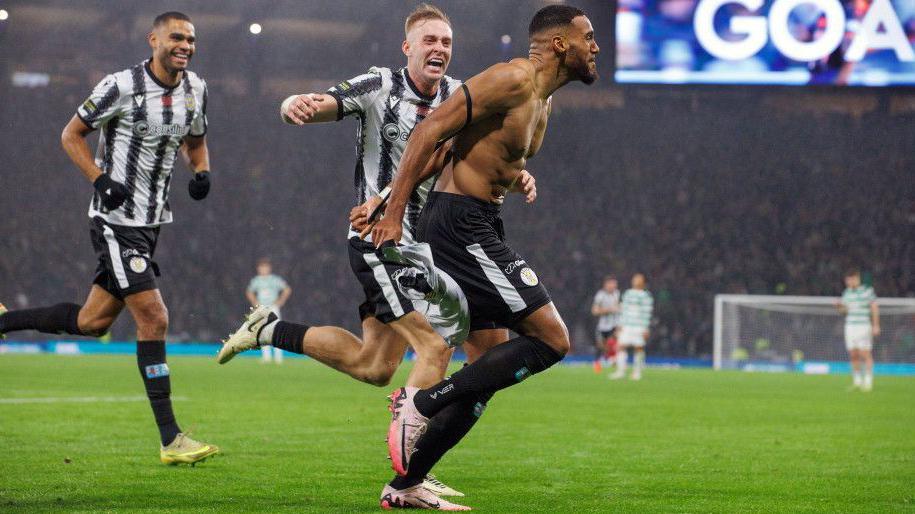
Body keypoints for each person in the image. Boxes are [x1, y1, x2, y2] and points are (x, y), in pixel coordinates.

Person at [215, 5, 534, 506]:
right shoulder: (379, 85)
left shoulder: (462, 97)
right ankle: (410, 479)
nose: (439, 49)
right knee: (434, 346)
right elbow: (324, 102)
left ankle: (269, 330)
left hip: (435, 246)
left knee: (375, 364)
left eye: (446, 42)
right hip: (381, 237)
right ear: (407, 47)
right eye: (429, 40)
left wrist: (515, 176)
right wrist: (294, 103)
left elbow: (476, 159)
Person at [369, 4, 599, 508]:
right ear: (560, 44)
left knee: (488, 364)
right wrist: (392, 211)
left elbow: (471, 151)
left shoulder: (544, 98)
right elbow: (430, 132)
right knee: (553, 340)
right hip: (459, 224)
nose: (595, 46)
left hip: (480, 220)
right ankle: (422, 402)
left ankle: (406, 486)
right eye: (588, 37)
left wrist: (514, 177)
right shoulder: (511, 78)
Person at [0, 12, 217, 464]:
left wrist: (200, 171)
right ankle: (171, 438)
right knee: (154, 317)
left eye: (191, 39)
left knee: (92, 323)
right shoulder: (120, 86)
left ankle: (4, 322)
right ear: (153, 38)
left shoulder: (196, 89)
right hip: (115, 223)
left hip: (153, 223)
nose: (186, 45)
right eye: (177, 37)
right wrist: (99, 178)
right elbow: (71, 134)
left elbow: (195, 140)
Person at [835, 269, 879, 391]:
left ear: (857, 278)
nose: (849, 282)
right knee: (853, 354)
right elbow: (844, 312)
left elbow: (874, 308)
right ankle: (857, 381)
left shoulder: (867, 291)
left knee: (865, 353)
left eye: (852, 279)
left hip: (864, 325)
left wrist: (876, 325)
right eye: (848, 280)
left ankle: (868, 382)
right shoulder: (847, 293)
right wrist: (839, 307)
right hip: (850, 326)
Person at [245, 258, 292, 363]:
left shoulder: (274, 279)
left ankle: (279, 357)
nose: (264, 270)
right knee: (262, 332)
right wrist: (255, 302)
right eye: (261, 268)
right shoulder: (256, 280)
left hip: (272, 307)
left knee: (276, 331)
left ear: (269, 268)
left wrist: (281, 301)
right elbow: (249, 291)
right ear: (258, 269)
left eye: (265, 267)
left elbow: (287, 289)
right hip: (262, 308)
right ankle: (267, 357)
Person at [611, 274, 653, 381]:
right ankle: (620, 371)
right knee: (621, 346)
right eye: (634, 279)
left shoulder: (646, 296)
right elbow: (623, 310)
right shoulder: (628, 294)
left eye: (638, 279)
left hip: (639, 326)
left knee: (638, 348)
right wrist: (620, 325)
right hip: (627, 325)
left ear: (643, 282)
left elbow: (647, 312)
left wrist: (646, 328)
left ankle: (637, 373)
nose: (636, 281)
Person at [591, 275, 620, 372]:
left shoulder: (617, 294)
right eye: (611, 283)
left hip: (614, 325)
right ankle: (598, 363)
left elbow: (620, 307)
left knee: (613, 343)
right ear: (606, 285)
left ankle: (614, 361)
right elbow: (594, 311)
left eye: (614, 283)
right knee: (601, 346)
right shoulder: (600, 295)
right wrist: (609, 310)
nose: (613, 285)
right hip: (603, 326)